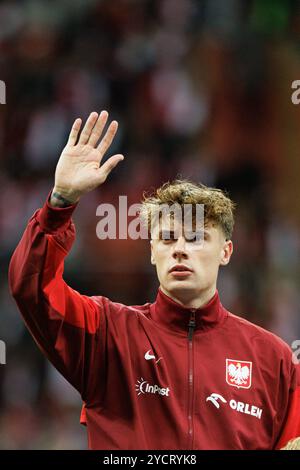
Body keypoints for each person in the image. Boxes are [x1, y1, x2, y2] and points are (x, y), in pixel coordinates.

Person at [8, 111, 300, 450]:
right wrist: (60, 202)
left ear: (226, 251)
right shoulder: (106, 334)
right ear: (152, 253)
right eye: (167, 238)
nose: (179, 249)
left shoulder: (274, 360)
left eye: (195, 238)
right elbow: (31, 289)